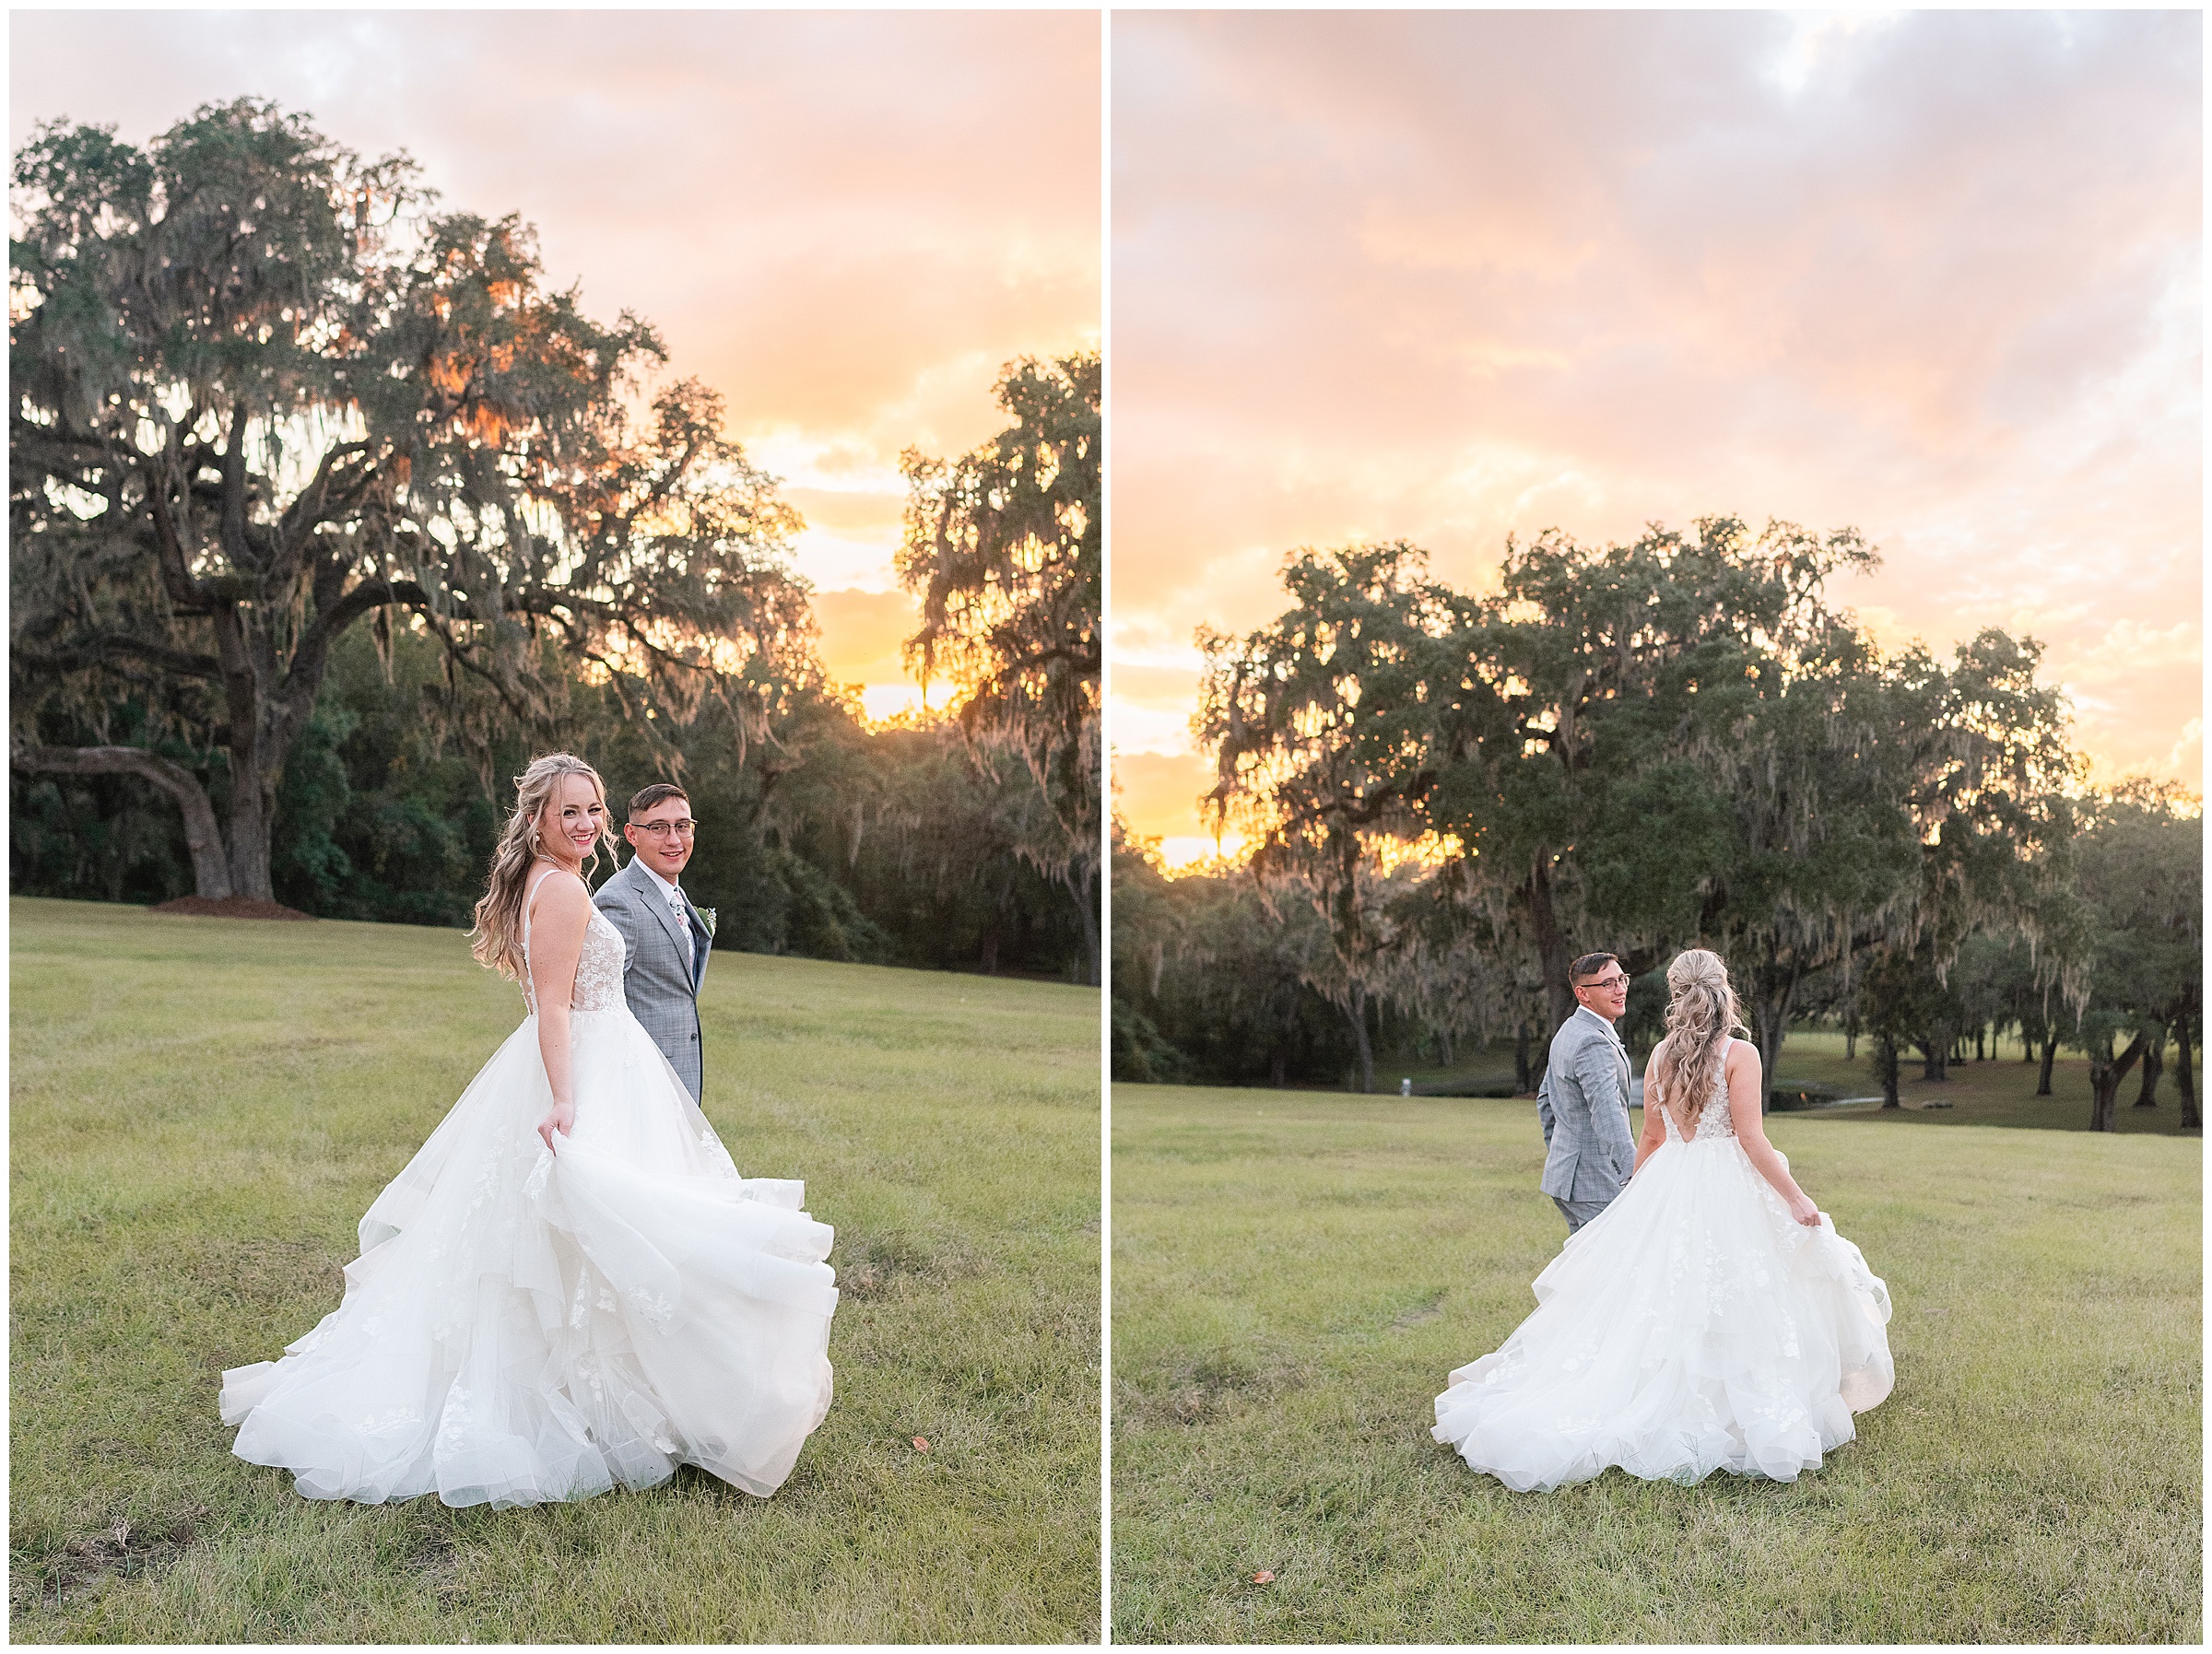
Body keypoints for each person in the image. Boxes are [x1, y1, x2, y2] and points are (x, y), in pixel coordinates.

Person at [220, 754, 837, 1508]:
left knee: (594, 1238)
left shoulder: (543, 883)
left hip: (605, 1064)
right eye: (569, 811)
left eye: (593, 809)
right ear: (539, 819)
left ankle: (605, 1387)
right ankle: (606, 1398)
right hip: (589, 1071)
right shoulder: (568, 892)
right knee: (616, 1231)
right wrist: (566, 1097)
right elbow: (554, 1005)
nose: (585, 823)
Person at [1433, 948, 1892, 1491]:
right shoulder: (1740, 1053)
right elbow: (1750, 1138)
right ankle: (1729, 1406)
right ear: (1725, 990)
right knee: (1741, 1289)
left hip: (1670, 1177)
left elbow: (1651, 1137)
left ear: (1677, 994)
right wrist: (1795, 1197)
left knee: (1660, 1293)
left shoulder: (1658, 1056)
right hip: (1727, 1182)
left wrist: (1635, 1195)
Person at [594, 782, 712, 1103]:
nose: (674, 840)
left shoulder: (675, 893)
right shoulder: (618, 902)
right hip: (640, 1081)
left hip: (681, 1070)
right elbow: (597, 1004)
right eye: (658, 828)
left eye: (682, 827)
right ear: (632, 835)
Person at [1535, 952, 1636, 1233]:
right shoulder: (1592, 1041)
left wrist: (1564, 1152)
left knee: (1583, 1271)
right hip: (1595, 1183)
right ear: (1583, 994)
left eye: (1621, 979)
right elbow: (1608, 1113)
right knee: (1610, 1271)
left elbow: (1545, 1100)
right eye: (1607, 984)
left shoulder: (1569, 1030)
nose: (1620, 990)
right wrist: (1632, 1173)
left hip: (1571, 1178)